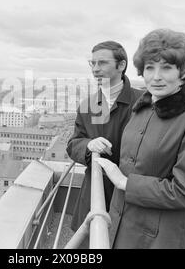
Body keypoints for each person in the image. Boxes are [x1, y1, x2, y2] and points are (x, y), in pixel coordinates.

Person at [96, 29, 185, 249]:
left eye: (167, 67)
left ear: (183, 73)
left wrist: (125, 182)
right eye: (150, 67)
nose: (156, 76)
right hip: (120, 226)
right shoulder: (141, 109)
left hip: (158, 238)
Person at [66, 41, 144, 244]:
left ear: (121, 65)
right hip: (95, 191)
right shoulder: (87, 105)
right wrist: (88, 145)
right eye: (92, 63)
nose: (95, 69)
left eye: (102, 63)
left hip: (131, 193)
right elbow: (73, 143)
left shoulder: (144, 102)